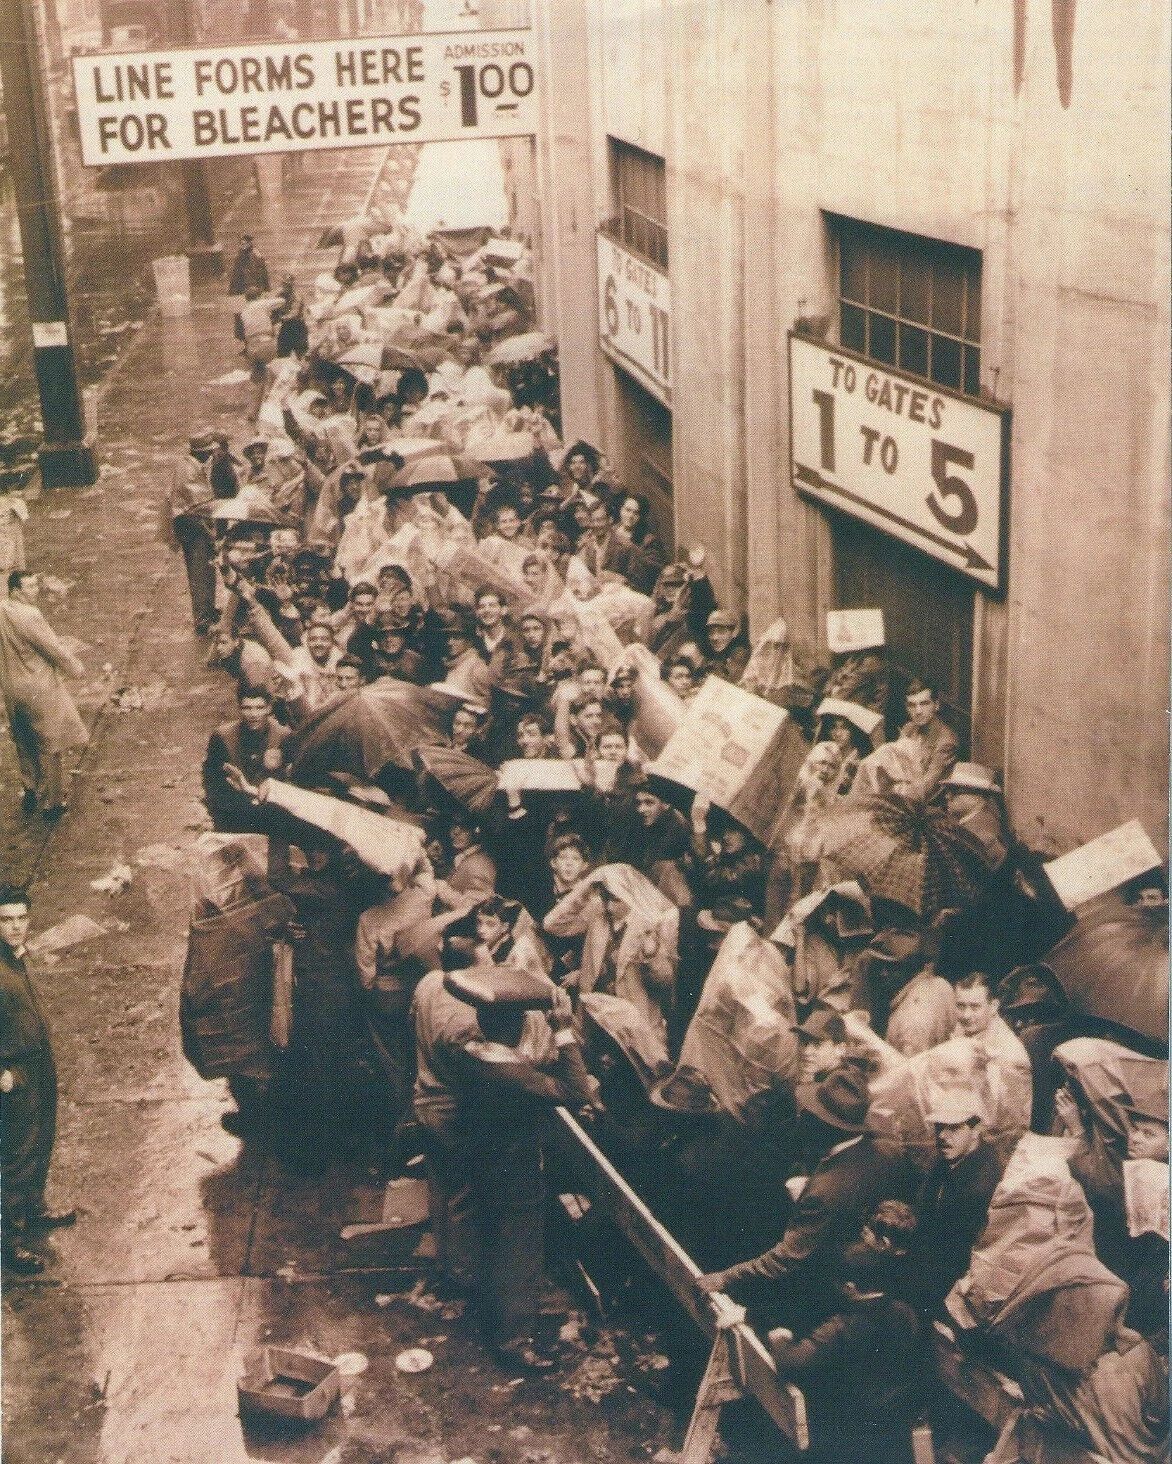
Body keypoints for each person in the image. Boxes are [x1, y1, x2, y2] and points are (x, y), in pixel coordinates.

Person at [410, 962, 594, 1368]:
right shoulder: (508, 1070)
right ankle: (514, 1342)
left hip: (481, 1155)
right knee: (519, 1250)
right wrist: (563, 1030)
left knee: (491, 1237)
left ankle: (494, 1316)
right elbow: (576, 1090)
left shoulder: (474, 1052)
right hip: (513, 1167)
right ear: (517, 1025)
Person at [696, 1065, 914, 1325]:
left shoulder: (825, 1191)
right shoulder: (888, 1150)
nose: (803, 1118)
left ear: (829, 1126)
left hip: (832, 1281)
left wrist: (725, 1277)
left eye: (812, 1115)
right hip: (872, 1269)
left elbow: (787, 1257)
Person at [767, 1202, 926, 1464]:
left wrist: (780, 1339)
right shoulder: (905, 1313)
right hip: (892, 1423)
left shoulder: (845, 1326)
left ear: (851, 1286)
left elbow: (792, 1363)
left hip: (850, 1427)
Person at [0, 887, 75, 1275]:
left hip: (37, 1064)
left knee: (41, 1138)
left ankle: (32, 1210)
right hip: (14, 1073)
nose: (15, 927)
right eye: (6, 919)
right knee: (16, 1155)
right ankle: (9, 1242)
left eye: (21, 918)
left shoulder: (15, 957)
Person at [908, 1088, 1006, 1315]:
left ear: (976, 1130)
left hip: (953, 1291)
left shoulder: (982, 1182)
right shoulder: (949, 1160)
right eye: (939, 1127)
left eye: (953, 1128)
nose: (943, 1136)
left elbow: (957, 1251)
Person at [0, 570, 88, 819]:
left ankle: (30, 789)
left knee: (24, 740)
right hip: (39, 687)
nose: (35, 591)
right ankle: (53, 802)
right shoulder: (30, 615)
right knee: (52, 743)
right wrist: (75, 668)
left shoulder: (2, 610)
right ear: (16, 591)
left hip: (11, 687)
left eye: (35, 585)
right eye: (29, 587)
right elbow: (52, 647)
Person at [202, 685, 289, 833]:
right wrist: (219, 812)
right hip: (234, 813)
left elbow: (290, 780)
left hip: (272, 813)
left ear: (269, 708)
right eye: (247, 708)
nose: (253, 714)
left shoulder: (283, 736)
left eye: (259, 708)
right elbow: (211, 778)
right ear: (239, 708)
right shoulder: (222, 736)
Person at [165, 431, 218, 635]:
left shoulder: (189, 465)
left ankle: (209, 610)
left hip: (195, 524)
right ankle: (202, 619)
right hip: (192, 527)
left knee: (208, 569)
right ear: (201, 452)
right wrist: (209, 532)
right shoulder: (188, 471)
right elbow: (195, 506)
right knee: (200, 572)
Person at [899, 678, 959, 799]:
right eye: (912, 705)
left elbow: (925, 789)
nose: (918, 711)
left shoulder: (946, 742)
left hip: (929, 804)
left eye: (924, 704)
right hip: (903, 794)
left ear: (936, 705)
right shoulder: (908, 729)